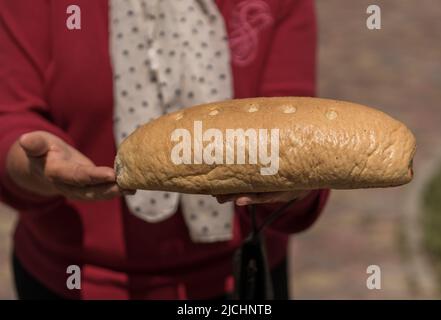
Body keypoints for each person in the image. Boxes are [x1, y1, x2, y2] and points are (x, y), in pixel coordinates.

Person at [0, 0, 329, 299]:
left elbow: (294, 130)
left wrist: (293, 181)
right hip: (77, 281)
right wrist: (36, 166)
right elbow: (12, 120)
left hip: (239, 278)